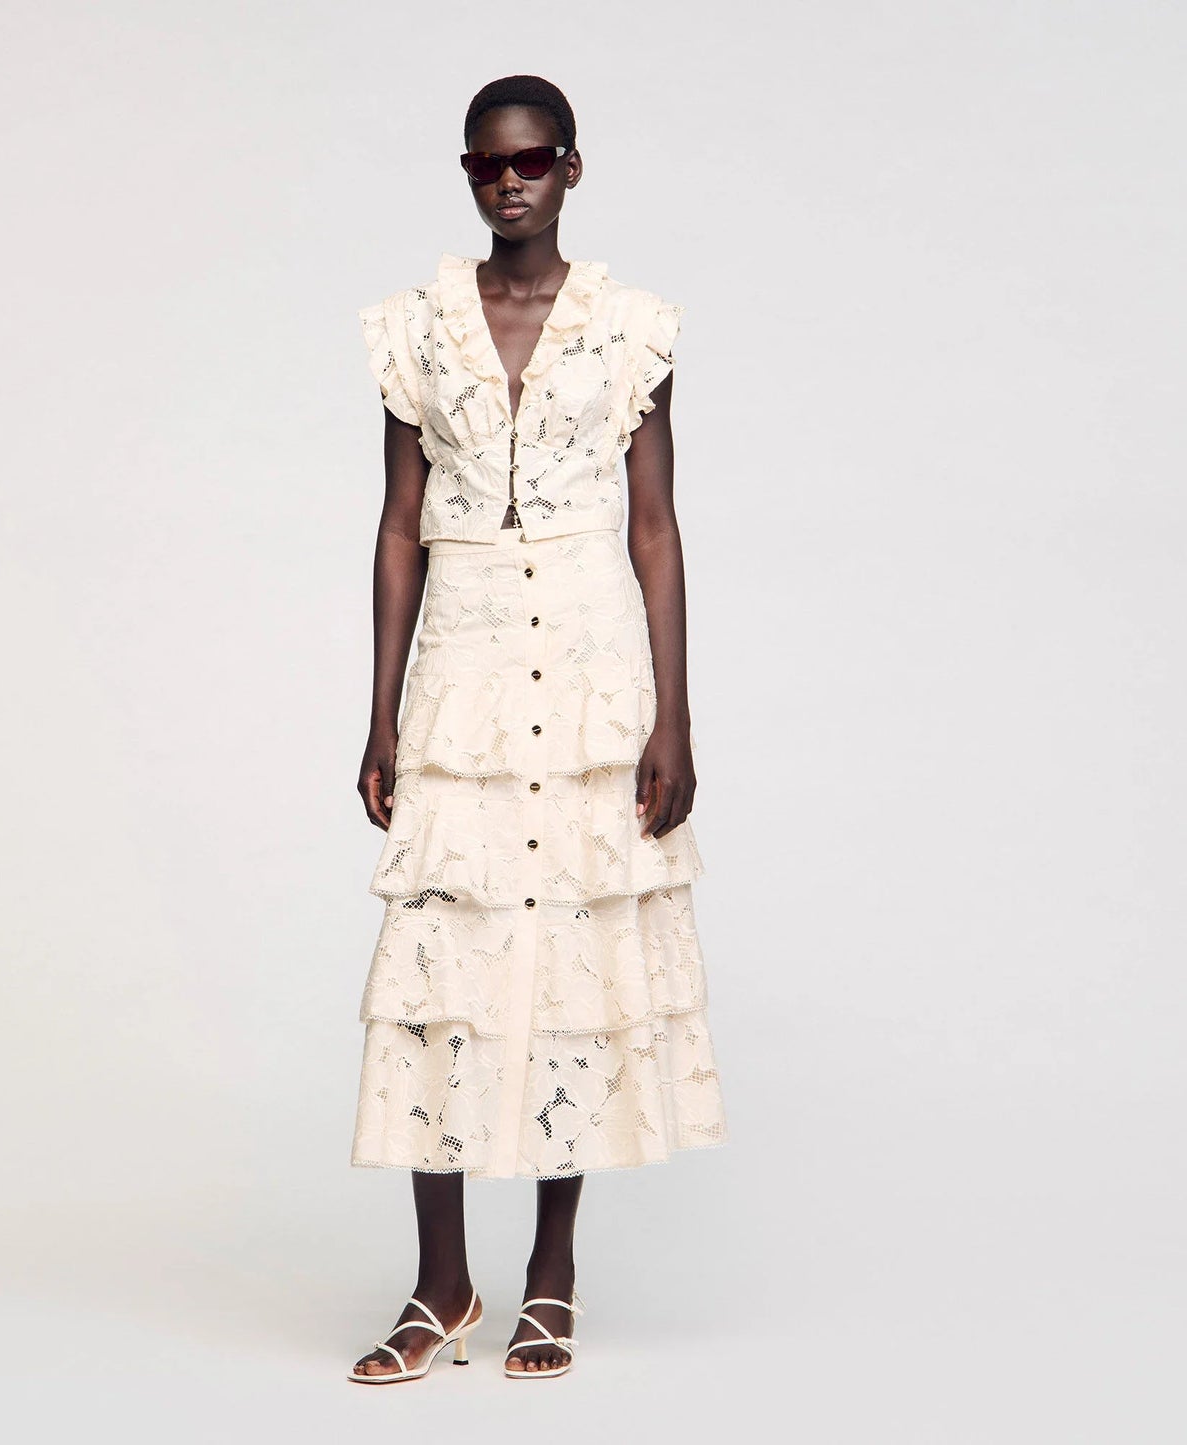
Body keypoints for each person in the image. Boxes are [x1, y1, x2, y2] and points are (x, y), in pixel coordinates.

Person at [348, 74, 728, 1384]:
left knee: (574, 958)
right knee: (437, 970)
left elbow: (655, 527)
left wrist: (673, 715)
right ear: (467, 173)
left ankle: (550, 1275)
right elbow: (398, 526)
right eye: (484, 163)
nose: (507, 181)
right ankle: (440, 1283)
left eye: (530, 159)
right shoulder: (414, 329)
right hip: (459, 671)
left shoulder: (631, 330)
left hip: (586, 672)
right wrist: (382, 713)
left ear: (572, 166)